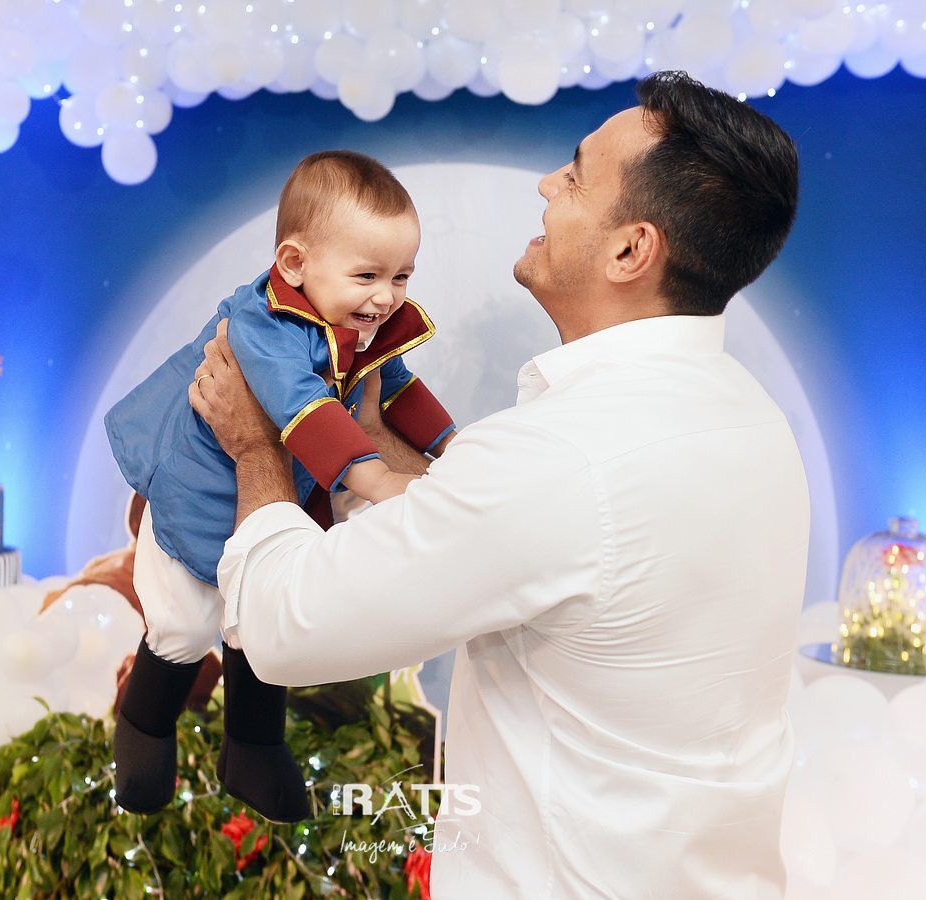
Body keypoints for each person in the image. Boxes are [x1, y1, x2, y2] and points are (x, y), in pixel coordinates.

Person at [190, 70, 810, 898]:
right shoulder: (750, 416)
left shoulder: (560, 460)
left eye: (577, 176)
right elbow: (513, 540)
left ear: (631, 250)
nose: (548, 184)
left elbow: (282, 629)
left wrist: (255, 444)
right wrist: (377, 449)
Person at [104, 151, 456, 822]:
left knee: (259, 619)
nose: (387, 296)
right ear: (294, 264)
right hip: (199, 498)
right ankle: (145, 727)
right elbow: (304, 410)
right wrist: (377, 478)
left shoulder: (359, 322)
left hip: (269, 496)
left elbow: (398, 388)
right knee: (183, 625)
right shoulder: (263, 328)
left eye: (401, 276)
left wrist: (454, 450)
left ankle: (254, 747)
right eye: (367, 275)